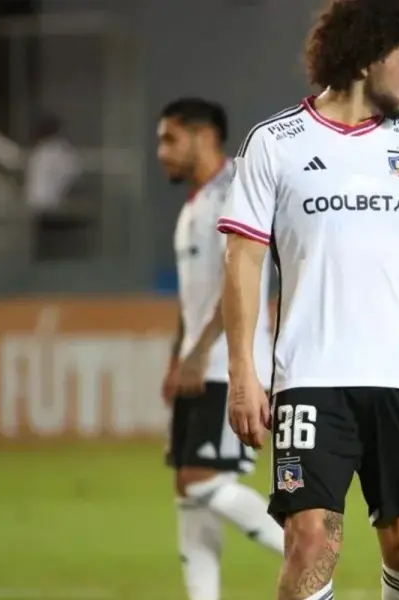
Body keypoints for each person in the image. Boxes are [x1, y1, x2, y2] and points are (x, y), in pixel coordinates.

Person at [217, 2, 399, 599]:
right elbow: (244, 262)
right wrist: (242, 373)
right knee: (311, 542)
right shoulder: (275, 143)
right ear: (368, 58)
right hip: (311, 378)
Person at [155, 97, 284, 600]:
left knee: (202, 481)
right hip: (198, 363)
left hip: (229, 366)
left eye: (170, 138)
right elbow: (196, 297)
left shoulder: (235, 191)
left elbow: (239, 284)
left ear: (204, 136)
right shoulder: (194, 204)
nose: (161, 151)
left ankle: (306, 550)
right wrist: (178, 354)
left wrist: (197, 351)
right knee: (188, 494)